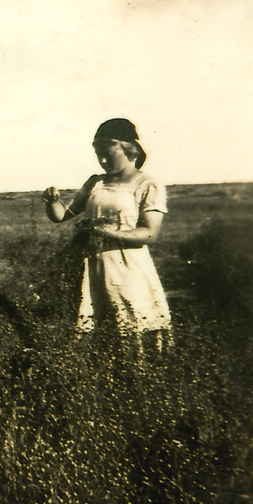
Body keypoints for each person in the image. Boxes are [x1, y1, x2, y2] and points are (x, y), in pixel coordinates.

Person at [41, 118, 171, 344]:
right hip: (90, 264)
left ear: (129, 150)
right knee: (95, 328)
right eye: (98, 154)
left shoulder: (147, 183)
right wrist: (52, 200)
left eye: (108, 154)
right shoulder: (95, 182)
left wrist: (106, 234)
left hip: (127, 267)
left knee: (131, 327)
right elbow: (62, 216)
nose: (102, 160)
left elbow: (150, 233)